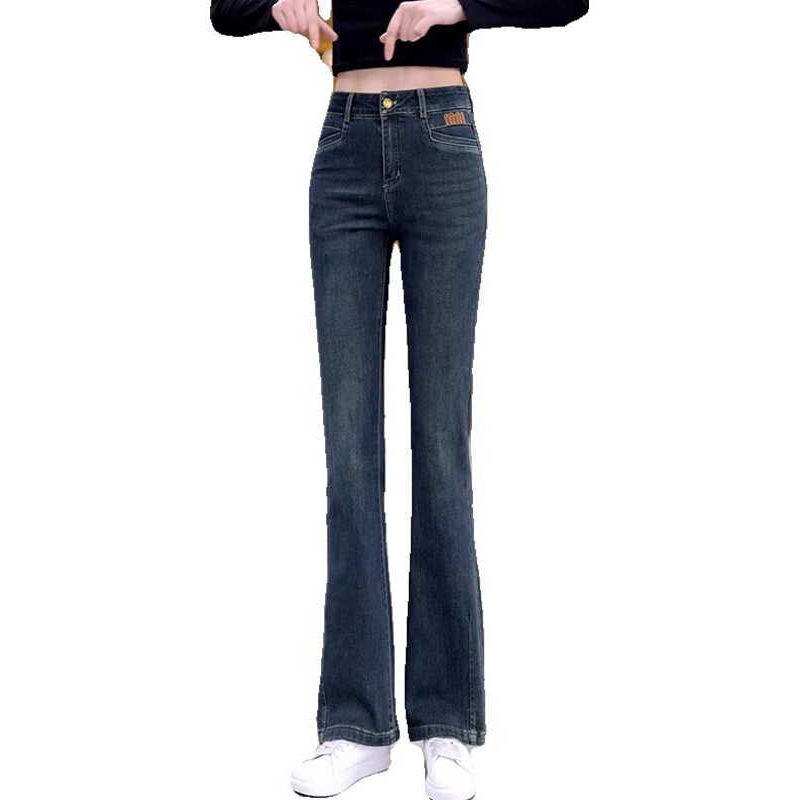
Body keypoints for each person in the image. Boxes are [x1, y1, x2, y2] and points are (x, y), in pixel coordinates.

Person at [210, 1, 588, 797]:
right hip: (344, 145)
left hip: (441, 138)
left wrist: (454, 5)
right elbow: (224, 10)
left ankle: (447, 723)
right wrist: (279, 6)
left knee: (441, 447)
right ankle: (356, 728)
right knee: (349, 455)